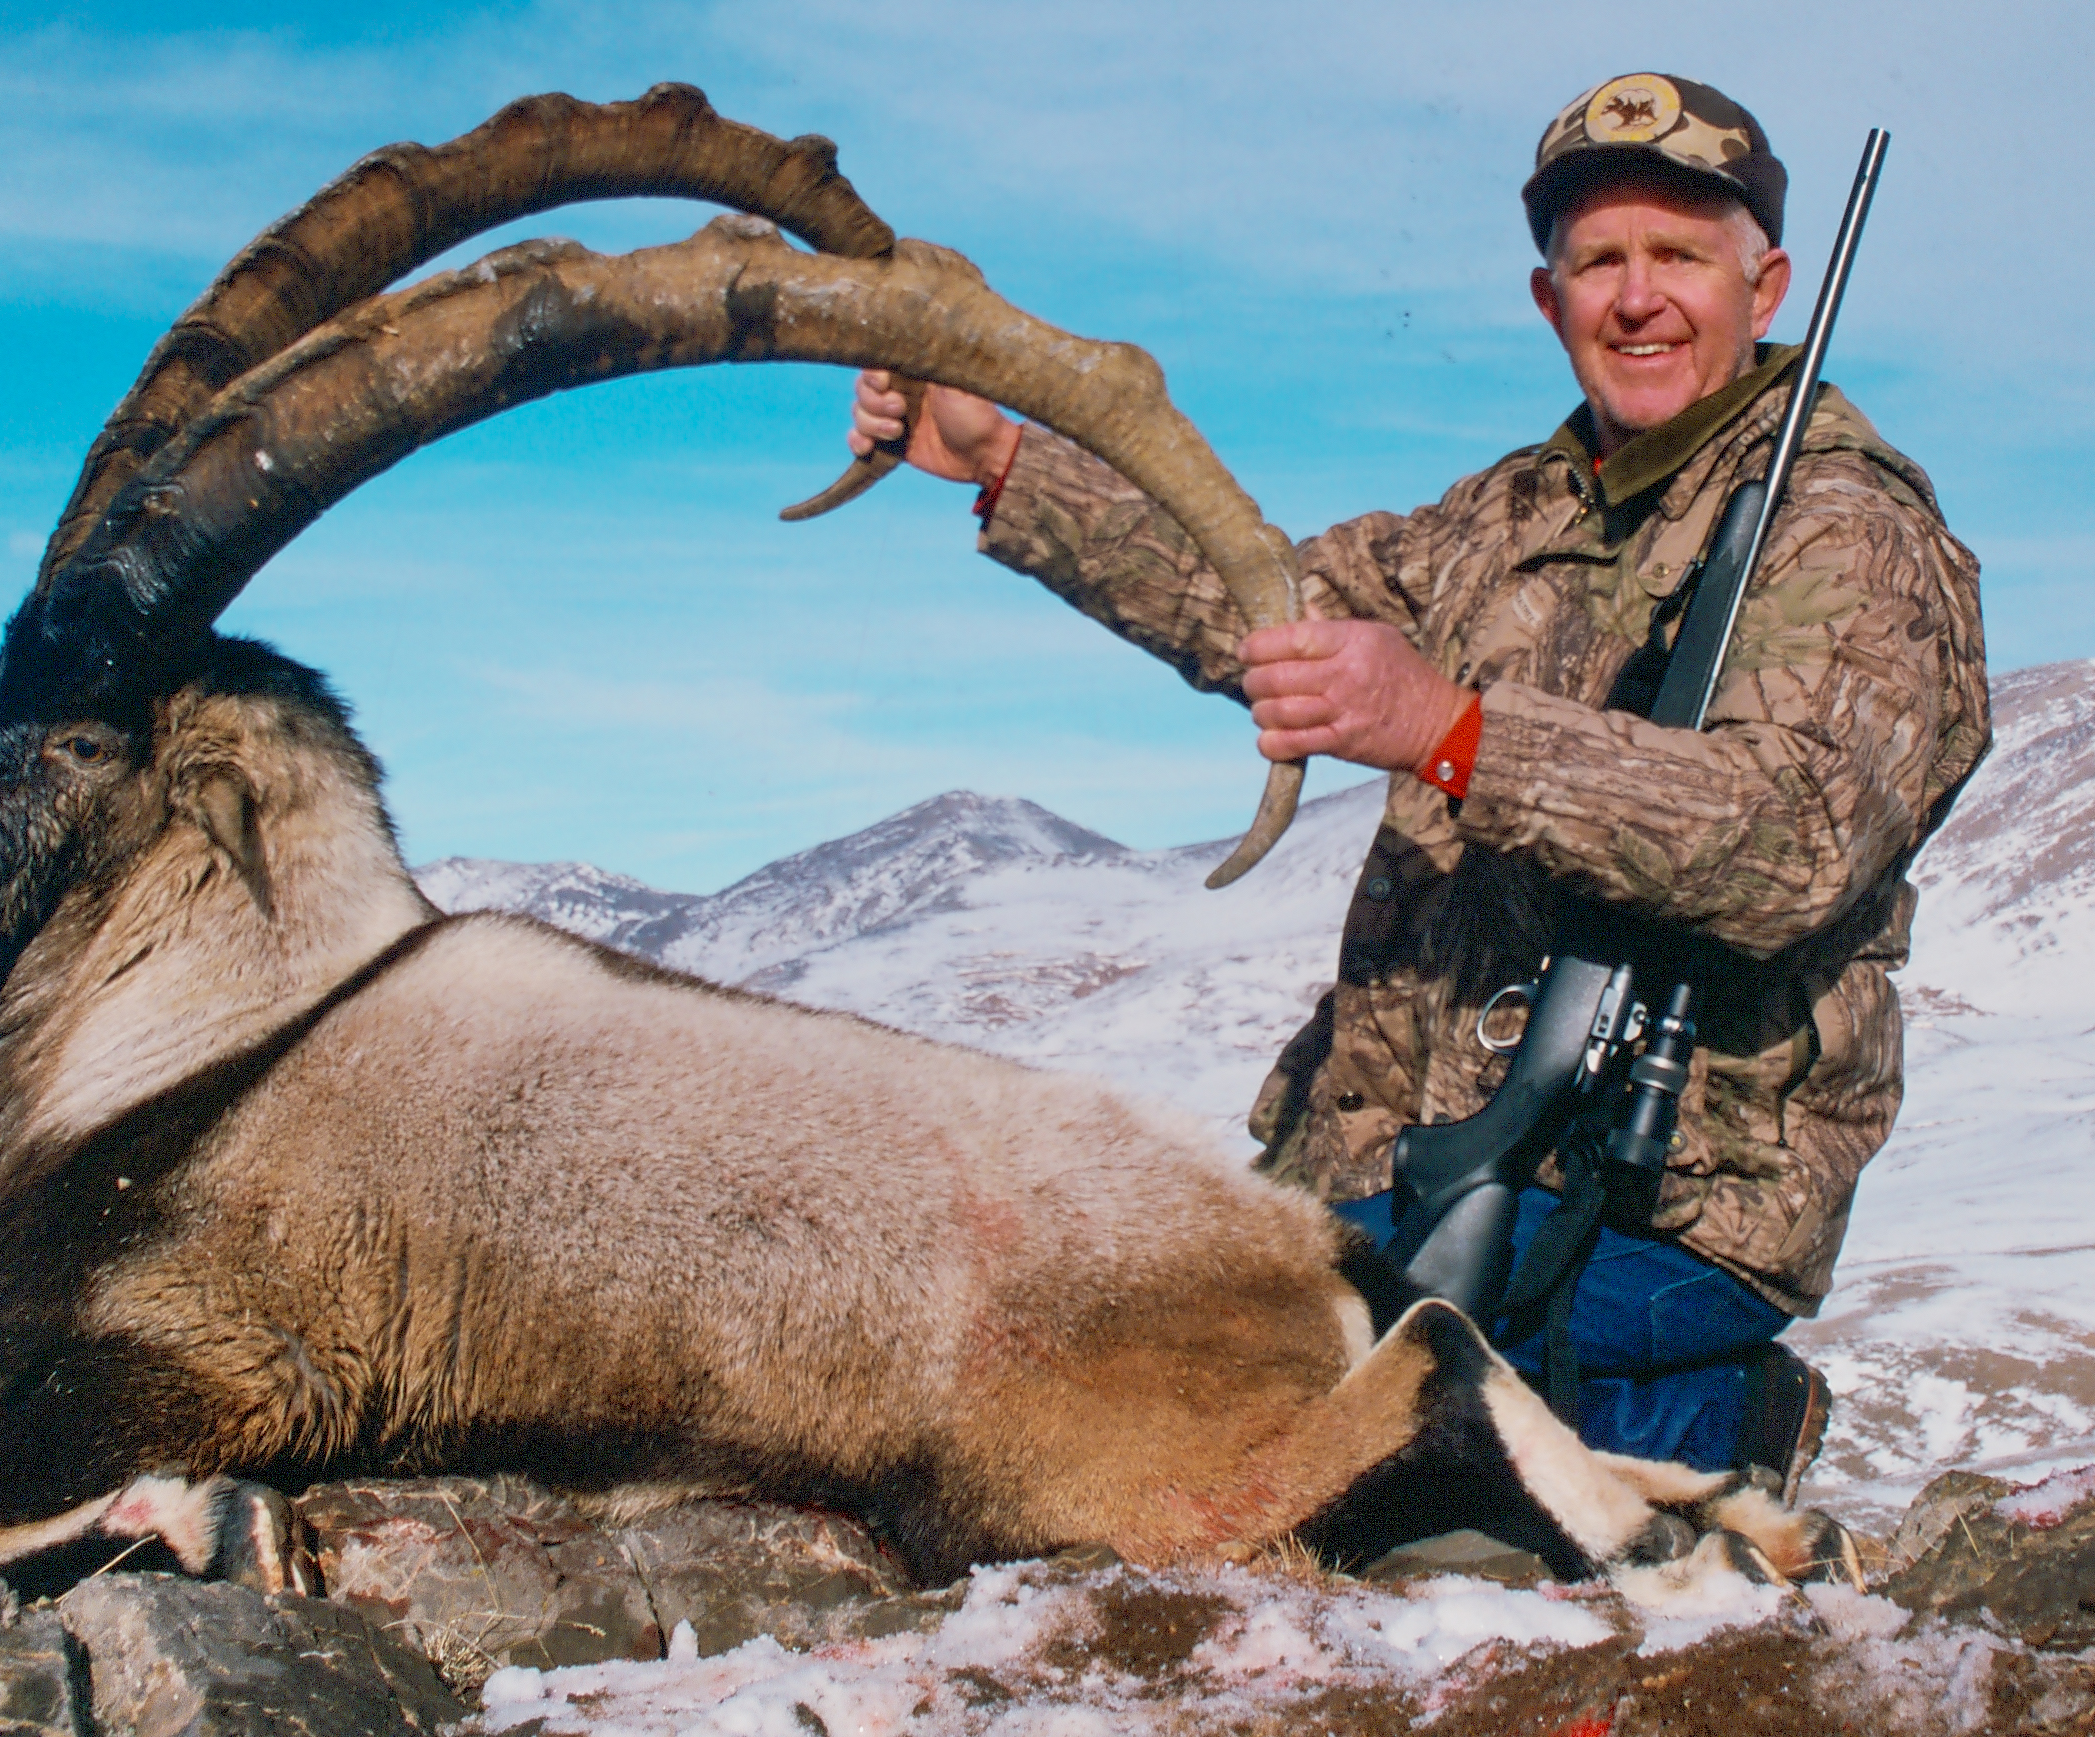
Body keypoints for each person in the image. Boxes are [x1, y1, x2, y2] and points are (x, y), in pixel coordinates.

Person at [845, 73, 1989, 1497]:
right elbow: (1262, 611)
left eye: (1678, 256)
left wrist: (1453, 731)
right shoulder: (1509, 513)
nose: (1636, 299)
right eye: (1599, 263)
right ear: (1545, 297)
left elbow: (1792, 836)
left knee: (1436, 1540)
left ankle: (1716, 1430)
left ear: (1764, 284)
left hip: (1656, 1204)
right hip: (1406, 1159)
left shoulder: (1850, 532)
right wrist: (1004, 455)